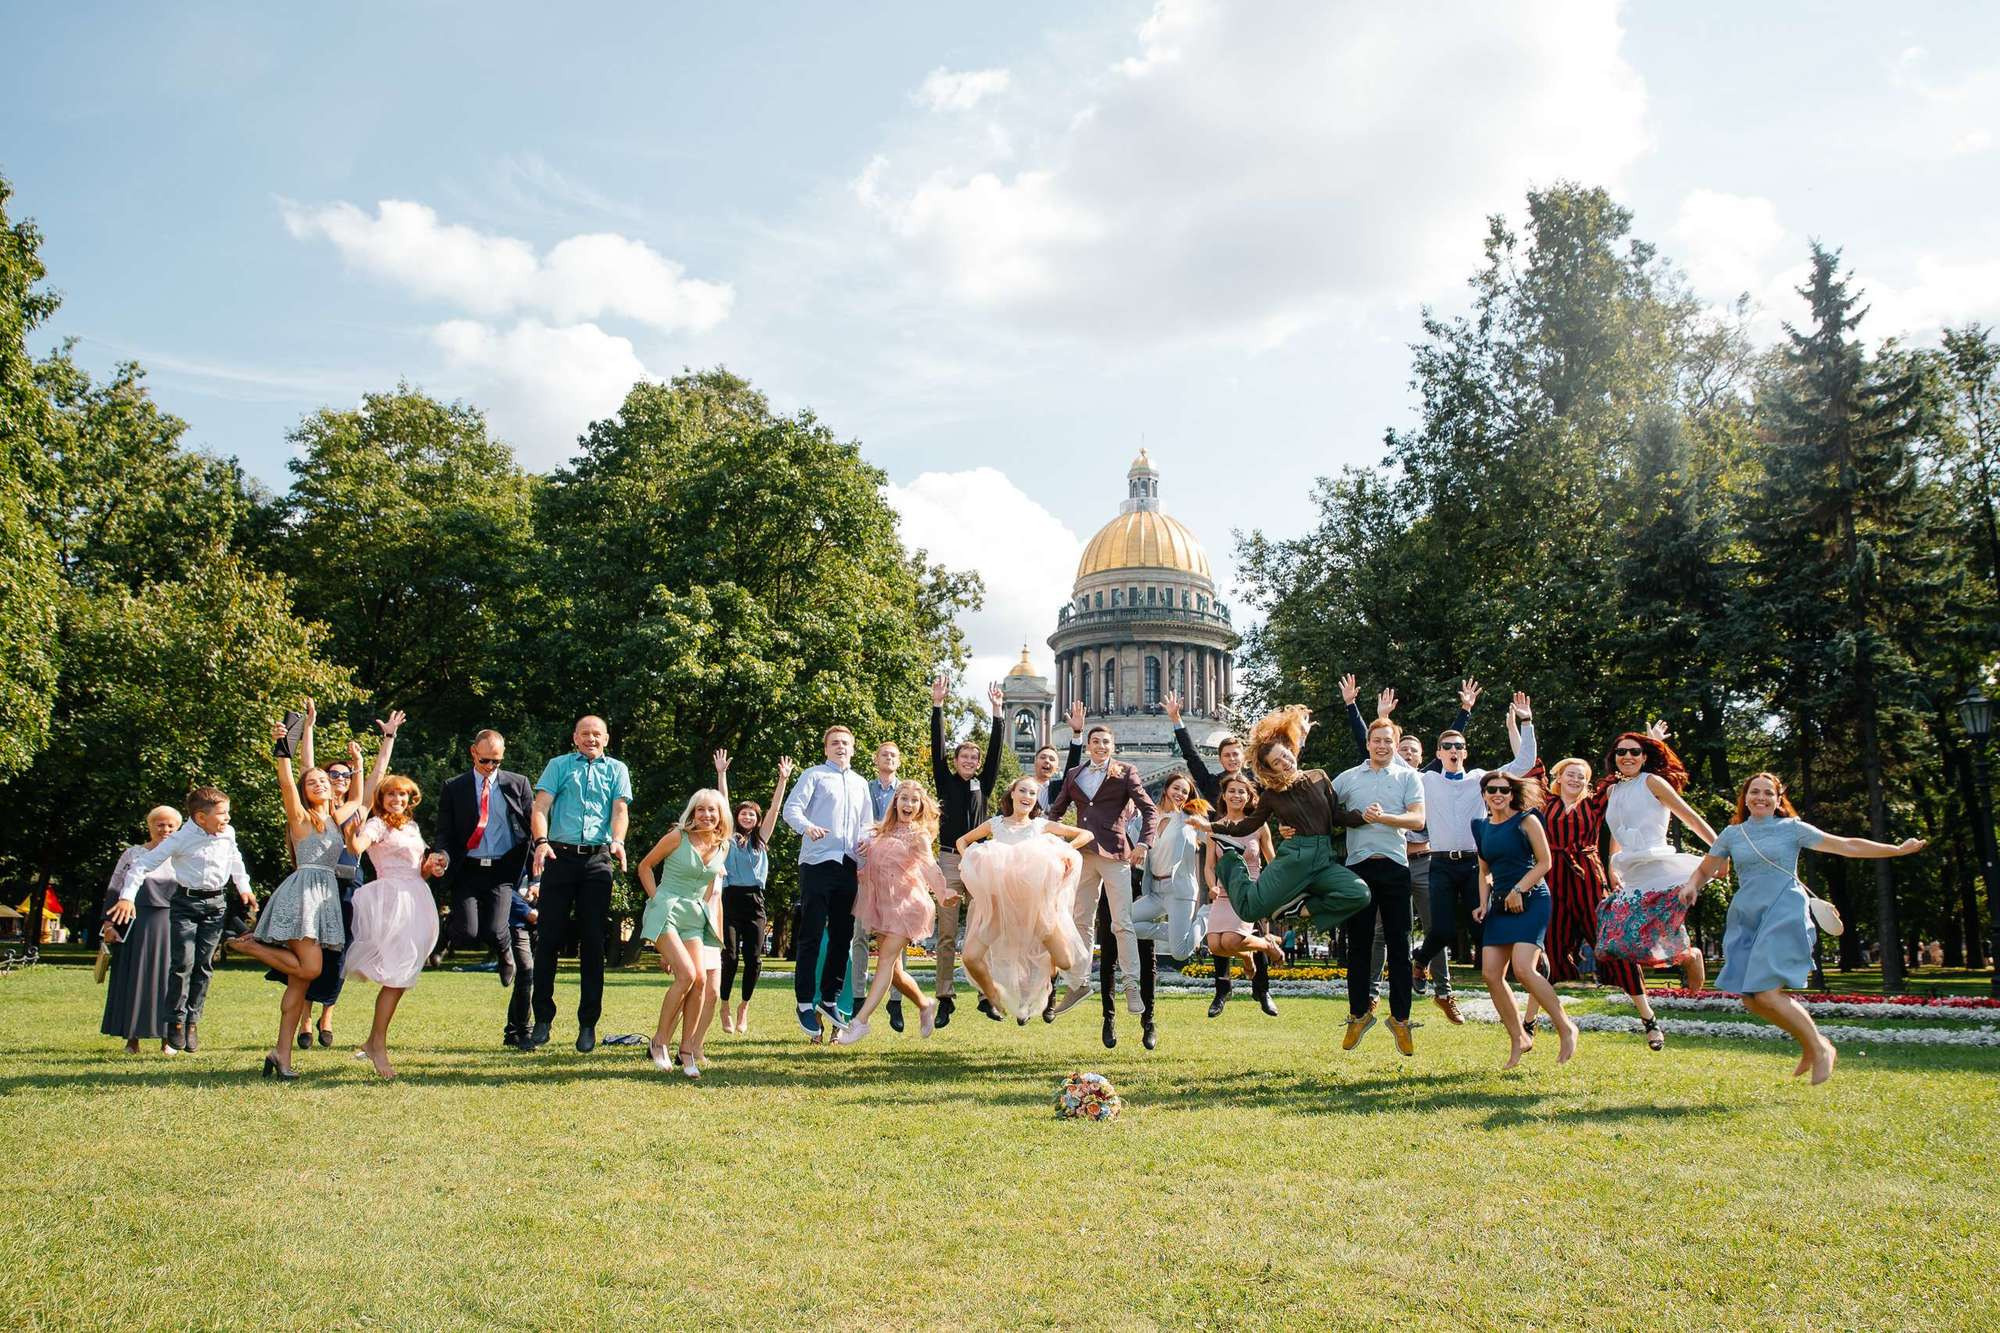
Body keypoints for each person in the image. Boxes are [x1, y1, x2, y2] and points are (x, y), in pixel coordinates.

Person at [1678, 772, 1925, 1085]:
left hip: (1783, 911)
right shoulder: (1732, 834)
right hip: (1747, 916)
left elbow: (1845, 845)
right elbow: (1705, 868)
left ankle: (1821, 1048)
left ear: (1779, 800)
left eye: (1769, 793)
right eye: (1755, 792)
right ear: (1745, 797)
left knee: (1766, 993)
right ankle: (1811, 1046)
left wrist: (1895, 850)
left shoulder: (1792, 829)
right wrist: (1692, 886)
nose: (1761, 798)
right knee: (1751, 999)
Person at [225, 724, 370, 1078]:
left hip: (325, 897)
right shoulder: (300, 816)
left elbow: (360, 800)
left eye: (324, 779)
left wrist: (359, 765)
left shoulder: (336, 818)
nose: (320, 783)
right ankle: (247, 945)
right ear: (305, 791)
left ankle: (281, 1055)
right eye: (313, 781)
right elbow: (287, 783)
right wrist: (283, 749)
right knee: (310, 969)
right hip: (303, 893)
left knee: (299, 984)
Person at [1409, 684, 1538, 1024]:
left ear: (1465, 752)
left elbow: (1525, 762)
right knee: (1442, 930)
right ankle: (1419, 960)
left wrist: (1526, 722)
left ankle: (1526, 961)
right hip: (1438, 863)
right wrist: (1380, 718)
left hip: (1473, 866)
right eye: (1447, 746)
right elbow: (1391, 760)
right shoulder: (1426, 781)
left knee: (1485, 926)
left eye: (1459, 746)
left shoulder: (1482, 780)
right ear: (1439, 752)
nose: (1454, 750)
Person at [1534, 742, 1673, 1051]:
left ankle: (1649, 1020)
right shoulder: (1546, 802)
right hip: (1554, 879)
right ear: (1560, 778)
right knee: (1549, 952)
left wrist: (1654, 744)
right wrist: (1521, 724)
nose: (1576, 780)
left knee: (1617, 947)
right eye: (1571, 775)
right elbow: (1528, 760)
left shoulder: (1596, 803)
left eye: (1582, 776)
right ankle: (1529, 1022)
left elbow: (1632, 773)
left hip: (1589, 878)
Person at [1341, 676, 1468, 1002]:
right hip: (1393, 861)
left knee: (1433, 927)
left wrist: (1464, 712)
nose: (1408, 753)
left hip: (1424, 862)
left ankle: (1443, 990)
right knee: (1383, 932)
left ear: (1425, 756)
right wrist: (1357, 708)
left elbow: (1452, 746)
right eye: (1404, 749)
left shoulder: (1425, 779)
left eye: (1414, 750)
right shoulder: (1388, 772)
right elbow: (1368, 742)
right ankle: (1369, 993)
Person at [109, 785, 256, 1055]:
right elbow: (142, 865)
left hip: (216, 904)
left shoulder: (228, 834)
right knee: (182, 963)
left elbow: (236, 859)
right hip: (185, 904)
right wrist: (127, 897)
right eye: (222, 814)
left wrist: (243, 887)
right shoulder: (180, 839)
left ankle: (192, 1021)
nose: (227, 819)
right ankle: (175, 1021)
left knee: (203, 965)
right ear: (201, 818)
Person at [1162, 691, 1274, 1021]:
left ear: (1243, 757)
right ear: (1222, 759)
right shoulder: (1213, 786)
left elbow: (1285, 783)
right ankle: (1221, 991)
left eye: (1236, 754)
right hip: (1222, 862)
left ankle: (1262, 990)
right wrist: (1176, 722)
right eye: (1226, 755)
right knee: (1219, 939)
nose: (1231, 759)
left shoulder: (1257, 783)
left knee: (1258, 929)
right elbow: (1192, 757)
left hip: (1252, 862)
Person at [292, 702, 398, 1049]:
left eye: (344, 775)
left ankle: (327, 1016)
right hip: (316, 885)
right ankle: (305, 1020)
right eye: (331, 775)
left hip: (349, 885)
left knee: (339, 953)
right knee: (312, 951)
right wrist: (309, 726)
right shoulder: (315, 811)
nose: (337, 780)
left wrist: (388, 739)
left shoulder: (358, 810)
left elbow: (378, 775)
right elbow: (306, 768)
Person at [525, 715, 634, 1053]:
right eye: (585, 734)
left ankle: (588, 1024)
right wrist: (541, 841)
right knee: (548, 940)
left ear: (606, 738)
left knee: (592, 943)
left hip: (597, 860)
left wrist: (618, 841)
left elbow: (619, 811)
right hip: (559, 857)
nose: (591, 739)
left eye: (597, 734)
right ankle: (542, 1019)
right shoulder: (558, 766)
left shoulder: (617, 770)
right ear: (575, 737)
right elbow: (540, 806)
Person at [954, 775, 1094, 1021]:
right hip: (1000, 908)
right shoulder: (995, 824)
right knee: (970, 957)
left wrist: (1065, 853)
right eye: (1023, 791)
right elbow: (962, 841)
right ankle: (993, 995)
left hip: (1035, 909)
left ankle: (1043, 982)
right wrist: (970, 861)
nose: (1027, 796)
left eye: (1032, 793)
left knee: (1065, 960)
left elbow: (1086, 835)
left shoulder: (1040, 826)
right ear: (1012, 794)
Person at [1047, 723, 1158, 1029]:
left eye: (1106, 742)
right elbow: (1055, 813)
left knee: (1121, 922)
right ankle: (1079, 982)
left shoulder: (1126, 771)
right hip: (1083, 855)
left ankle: (1131, 986)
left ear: (1113, 746)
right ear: (1089, 746)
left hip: (1116, 854)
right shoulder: (1074, 775)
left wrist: (1145, 843)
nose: (1100, 746)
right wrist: (1050, 842)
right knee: (1081, 920)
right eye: (1095, 741)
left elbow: (1150, 810)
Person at [433, 729, 535, 1049]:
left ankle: (505, 954)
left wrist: (535, 877)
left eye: (497, 760)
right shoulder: (454, 787)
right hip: (468, 870)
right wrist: (442, 857)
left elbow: (532, 831)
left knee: (495, 927)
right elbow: (445, 834)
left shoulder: (517, 784)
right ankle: (444, 941)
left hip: (503, 870)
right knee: (467, 930)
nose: (491, 766)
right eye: (486, 759)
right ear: (473, 752)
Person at [341, 774, 448, 1079]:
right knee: (397, 975)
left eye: (402, 796)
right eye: (391, 795)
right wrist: (353, 833)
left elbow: (420, 870)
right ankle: (378, 1046)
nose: (397, 800)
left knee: (404, 976)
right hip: (393, 900)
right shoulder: (377, 824)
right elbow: (358, 846)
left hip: (418, 898)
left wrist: (431, 867)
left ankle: (374, 1041)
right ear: (381, 798)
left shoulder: (411, 827)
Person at [1594, 731, 1715, 995]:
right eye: (1621, 752)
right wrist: (1612, 868)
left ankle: (1693, 994)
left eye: (1634, 752)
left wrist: (1720, 849)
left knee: (1647, 935)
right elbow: (1617, 829)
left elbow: (1690, 818)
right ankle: (1687, 955)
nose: (1627, 756)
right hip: (1631, 873)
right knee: (1615, 944)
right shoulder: (1613, 790)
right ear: (1613, 757)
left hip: (1659, 870)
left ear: (1645, 757)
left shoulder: (1653, 782)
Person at [1333, 718, 1426, 1055]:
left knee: (1400, 946)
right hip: (1357, 868)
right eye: (1377, 740)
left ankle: (1400, 1020)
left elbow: (1418, 820)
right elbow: (1323, 806)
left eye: (1389, 741)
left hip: (1395, 868)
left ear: (1395, 743)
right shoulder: (1349, 777)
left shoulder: (1408, 776)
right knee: (1357, 946)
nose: (1383, 746)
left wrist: (1384, 817)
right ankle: (1358, 1015)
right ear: (1368, 743)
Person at [1472, 771, 1576, 1068]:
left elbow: (1546, 862)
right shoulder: (1481, 827)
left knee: (1523, 969)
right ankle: (1519, 1037)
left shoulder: (1527, 820)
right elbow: (1484, 871)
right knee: (1491, 974)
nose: (1498, 794)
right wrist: (1482, 904)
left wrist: (1519, 889)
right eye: (1492, 790)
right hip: (1501, 904)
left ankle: (1566, 1027)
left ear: (1511, 793)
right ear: (1484, 794)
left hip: (1531, 900)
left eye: (1504, 790)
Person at [781, 724, 874, 1040]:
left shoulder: (861, 783)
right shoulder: (814, 775)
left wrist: (865, 842)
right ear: (826, 749)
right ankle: (805, 1002)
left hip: (848, 867)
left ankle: (830, 999)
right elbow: (791, 810)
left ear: (853, 748)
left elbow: (866, 825)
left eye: (845, 743)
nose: (841, 747)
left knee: (842, 936)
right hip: (818, 862)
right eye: (834, 743)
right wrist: (807, 827)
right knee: (809, 935)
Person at [838, 781, 947, 1044]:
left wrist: (944, 893)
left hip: (909, 907)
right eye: (904, 799)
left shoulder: (918, 836)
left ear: (921, 807)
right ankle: (924, 1004)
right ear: (895, 802)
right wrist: (862, 855)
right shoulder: (880, 832)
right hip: (884, 907)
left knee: (884, 962)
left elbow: (931, 868)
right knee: (895, 971)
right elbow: (871, 869)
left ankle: (860, 1022)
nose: (908, 804)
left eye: (914, 801)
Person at [636, 785, 732, 1078]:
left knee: (701, 980)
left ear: (720, 816)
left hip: (694, 916)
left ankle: (687, 1048)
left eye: (712, 810)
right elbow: (645, 866)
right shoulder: (677, 837)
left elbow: (707, 884)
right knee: (687, 975)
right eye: (700, 809)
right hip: (666, 909)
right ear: (692, 812)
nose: (706, 815)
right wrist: (655, 899)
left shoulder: (722, 845)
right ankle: (659, 1042)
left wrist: (704, 911)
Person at [930, 676, 1006, 1026]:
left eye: (974, 757)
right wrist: (938, 706)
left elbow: (995, 751)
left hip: (978, 860)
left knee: (981, 931)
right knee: (946, 934)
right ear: (956, 759)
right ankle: (945, 996)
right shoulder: (945, 781)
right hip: (948, 860)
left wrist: (997, 713)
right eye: (965, 755)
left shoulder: (984, 783)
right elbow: (936, 746)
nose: (971, 760)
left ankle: (984, 995)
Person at [718, 756, 793, 1035]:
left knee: (754, 959)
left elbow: (775, 808)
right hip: (730, 901)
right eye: (743, 813)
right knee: (730, 957)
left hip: (755, 903)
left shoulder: (761, 841)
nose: (747, 816)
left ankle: (743, 1007)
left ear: (757, 819)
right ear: (737, 816)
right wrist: (722, 774)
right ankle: (724, 1004)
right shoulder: (727, 837)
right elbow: (723, 803)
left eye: (752, 814)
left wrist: (783, 780)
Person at [98, 807, 183, 1054]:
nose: (165, 830)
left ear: (177, 828)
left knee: (170, 980)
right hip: (134, 924)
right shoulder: (132, 854)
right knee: (133, 980)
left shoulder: (183, 856)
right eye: (160, 825)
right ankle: (132, 1039)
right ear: (150, 826)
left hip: (172, 923)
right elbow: (115, 888)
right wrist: (108, 924)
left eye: (170, 826)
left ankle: (168, 1038)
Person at [1204, 774, 1285, 1018]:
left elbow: (1273, 861)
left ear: (1250, 797)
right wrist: (1211, 886)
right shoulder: (1214, 829)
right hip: (1224, 891)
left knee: (1230, 940)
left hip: (1250, 891)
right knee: (1215, 946)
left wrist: (1271, 890)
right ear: (1224, 795)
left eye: (1242, 791)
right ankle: (1252, 952)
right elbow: (1209, 866)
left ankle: (1264, 948)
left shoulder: (1258, 826)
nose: (1236, 795)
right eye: (1232, 791)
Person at [862, 739, 902, 1024]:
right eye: (884, 754)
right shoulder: (864, 788)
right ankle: (857, 994)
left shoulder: (906, 791)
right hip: (868, 865)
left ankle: (896, 1000)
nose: (888, 758)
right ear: (876, 760)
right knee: (861, 933)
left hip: (898, 869)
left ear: (898, 762)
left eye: (893, 755)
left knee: (899, 932)